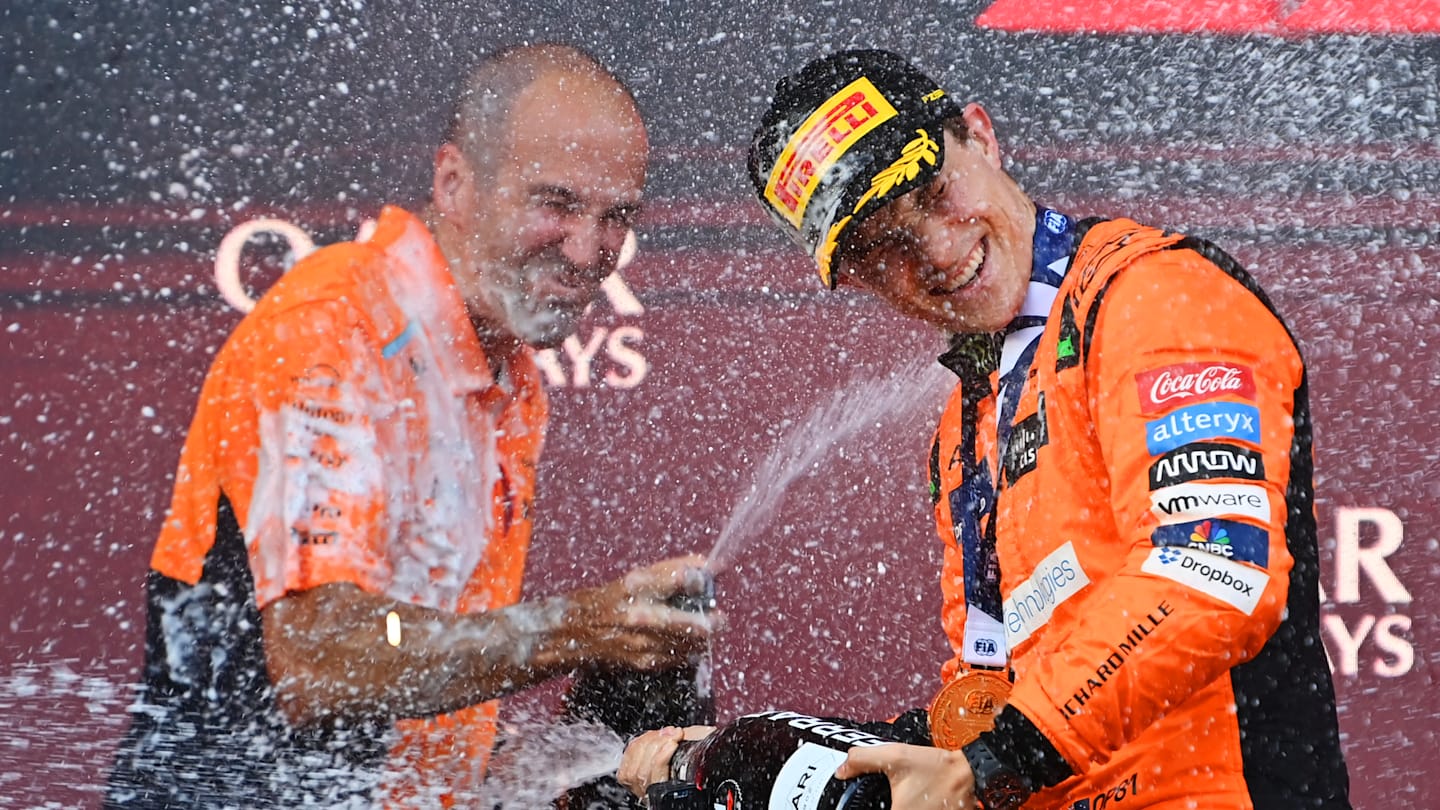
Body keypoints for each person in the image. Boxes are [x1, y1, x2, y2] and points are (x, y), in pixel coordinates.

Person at [618, 49, 1350, 810]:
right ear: (859, 282)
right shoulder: (965, 425)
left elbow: (1211, 573)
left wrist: (996, 759)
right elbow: (986, 705)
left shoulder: (1154, 298)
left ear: (982, 136)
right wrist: (776, 755)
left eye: (934, 192)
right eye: (882, 248)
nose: (935, 251)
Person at [105, 43, 712, 809]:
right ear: (455, 183)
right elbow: (321, 657)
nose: (592, 250)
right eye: (555, 204)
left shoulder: (508, 375)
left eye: (616, 215)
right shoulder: (335, 331)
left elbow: (411, 663)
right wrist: (578, 630)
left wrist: (570, 757)